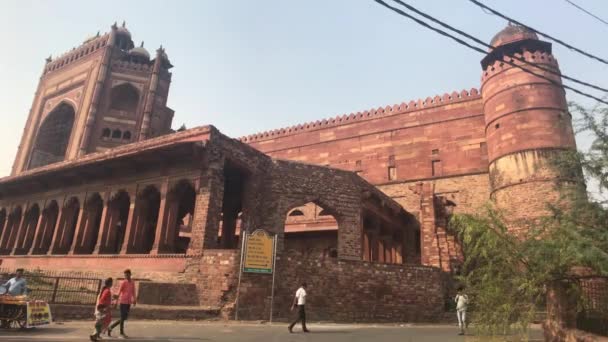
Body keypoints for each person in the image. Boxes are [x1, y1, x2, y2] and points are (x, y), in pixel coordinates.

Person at [109, 269, 137, 338]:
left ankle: (110, 327)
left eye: (127, 275)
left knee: (124, 318)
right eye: (125, 275)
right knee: (122, 318)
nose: (126, 276)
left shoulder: (132, 282)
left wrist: (134, 300)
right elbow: (119, 292)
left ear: (130, 274)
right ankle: (121, 333)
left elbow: (133, 291)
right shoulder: (123, 282)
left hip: (128, 302)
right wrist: (116, 302)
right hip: (123, 302)